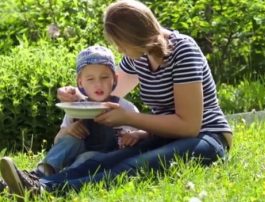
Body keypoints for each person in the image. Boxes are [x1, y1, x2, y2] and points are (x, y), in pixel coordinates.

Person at [0, 0, 232, 197]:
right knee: (104, 160)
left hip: (207, 138)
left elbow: (189, 126)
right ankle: (29, 182)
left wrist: (130, 118)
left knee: (132, 166)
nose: (118, 49)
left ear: (134, 36)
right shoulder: (138, 57)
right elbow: (106, 94)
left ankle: (44, 191)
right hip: (165, 137)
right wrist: (76, 97)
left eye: (119, 43)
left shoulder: (183, 51)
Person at [0, 45, 148, 196]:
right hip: (75, 152)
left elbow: (145, 133)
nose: (98, 84)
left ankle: (53, 182)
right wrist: (68, 131)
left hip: (103, 158)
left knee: (87, 157)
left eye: (104, 77)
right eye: (90, 79)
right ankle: (38, 173)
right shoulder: (76, 108)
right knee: (71, 140)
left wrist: (136, 135)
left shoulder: (123, 107)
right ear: (80, 82)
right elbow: (59, 141)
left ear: (115, 79)